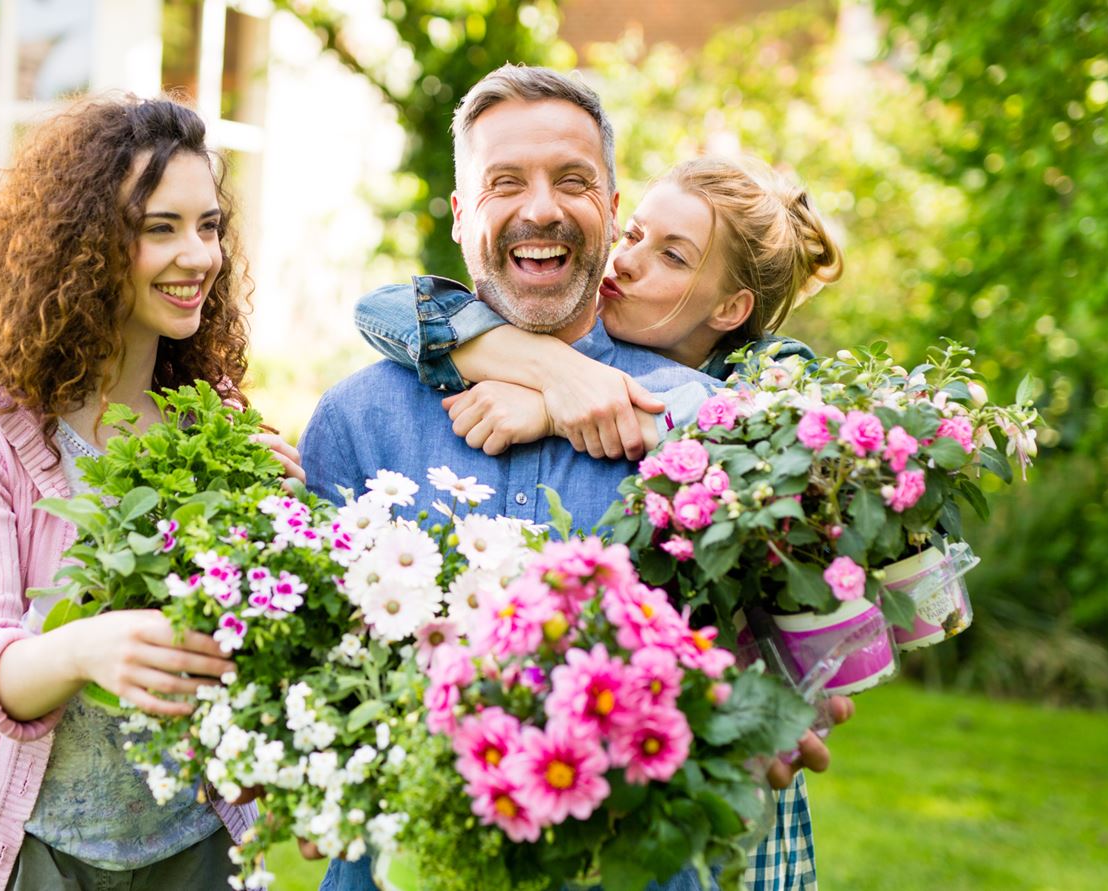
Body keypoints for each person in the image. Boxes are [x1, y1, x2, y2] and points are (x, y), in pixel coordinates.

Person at [301, 65, 845, 891]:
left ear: (612, 212)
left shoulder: (703, 424)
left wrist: (768, 708)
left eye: (574, 181)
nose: (542, 207)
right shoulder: (354, 422)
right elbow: (311, 675)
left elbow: (772, 641)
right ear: (461, 216)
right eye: (505, 182)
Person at [0, 95, 300, 891]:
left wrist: (277, 522)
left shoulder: (213, 418)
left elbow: (246, 646)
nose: (199, 255)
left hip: (191, 848)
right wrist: (84, 648)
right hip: (30, 851)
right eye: (160, 228)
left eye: (209, 225)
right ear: (85, 245)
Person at [353, 152, 839, 462]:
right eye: (633, 234)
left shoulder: (772, 368)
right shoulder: (563, 332)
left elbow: (793, 434)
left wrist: (553, 409)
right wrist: (553, 368)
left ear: (730, 310)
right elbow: (381, 309)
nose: (624, 260)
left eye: (672, 255)